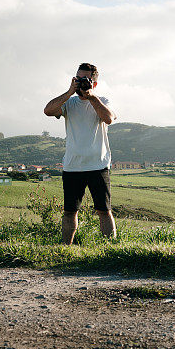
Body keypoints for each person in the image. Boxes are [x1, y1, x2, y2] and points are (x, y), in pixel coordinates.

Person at [43, 62, 117, 244]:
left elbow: (108, 118)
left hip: (98, 165)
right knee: (69, 211)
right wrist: (69, 92)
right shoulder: (69, 102)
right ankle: (65, 248)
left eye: (86, 79)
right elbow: (48, 110)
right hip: (73, 166)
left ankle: (110, 249)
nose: (81, 82)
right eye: (78, 78)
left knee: (104, 210)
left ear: (95, 83)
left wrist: (91, 97)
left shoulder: (102, 101)